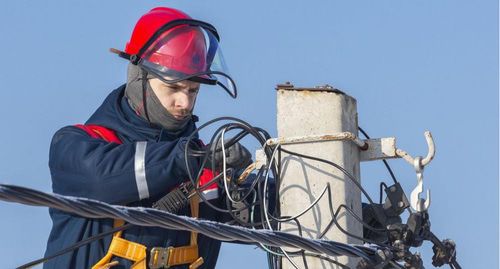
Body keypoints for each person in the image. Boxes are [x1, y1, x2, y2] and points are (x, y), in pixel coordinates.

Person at [43, 7, 251, 269]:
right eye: (173, 87)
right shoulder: (75, 148)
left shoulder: (205, 171)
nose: (184, 103)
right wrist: (190, 157)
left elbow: (276, 216)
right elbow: (106, 180)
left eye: (193, 90)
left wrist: (254, 193)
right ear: (138, 77)